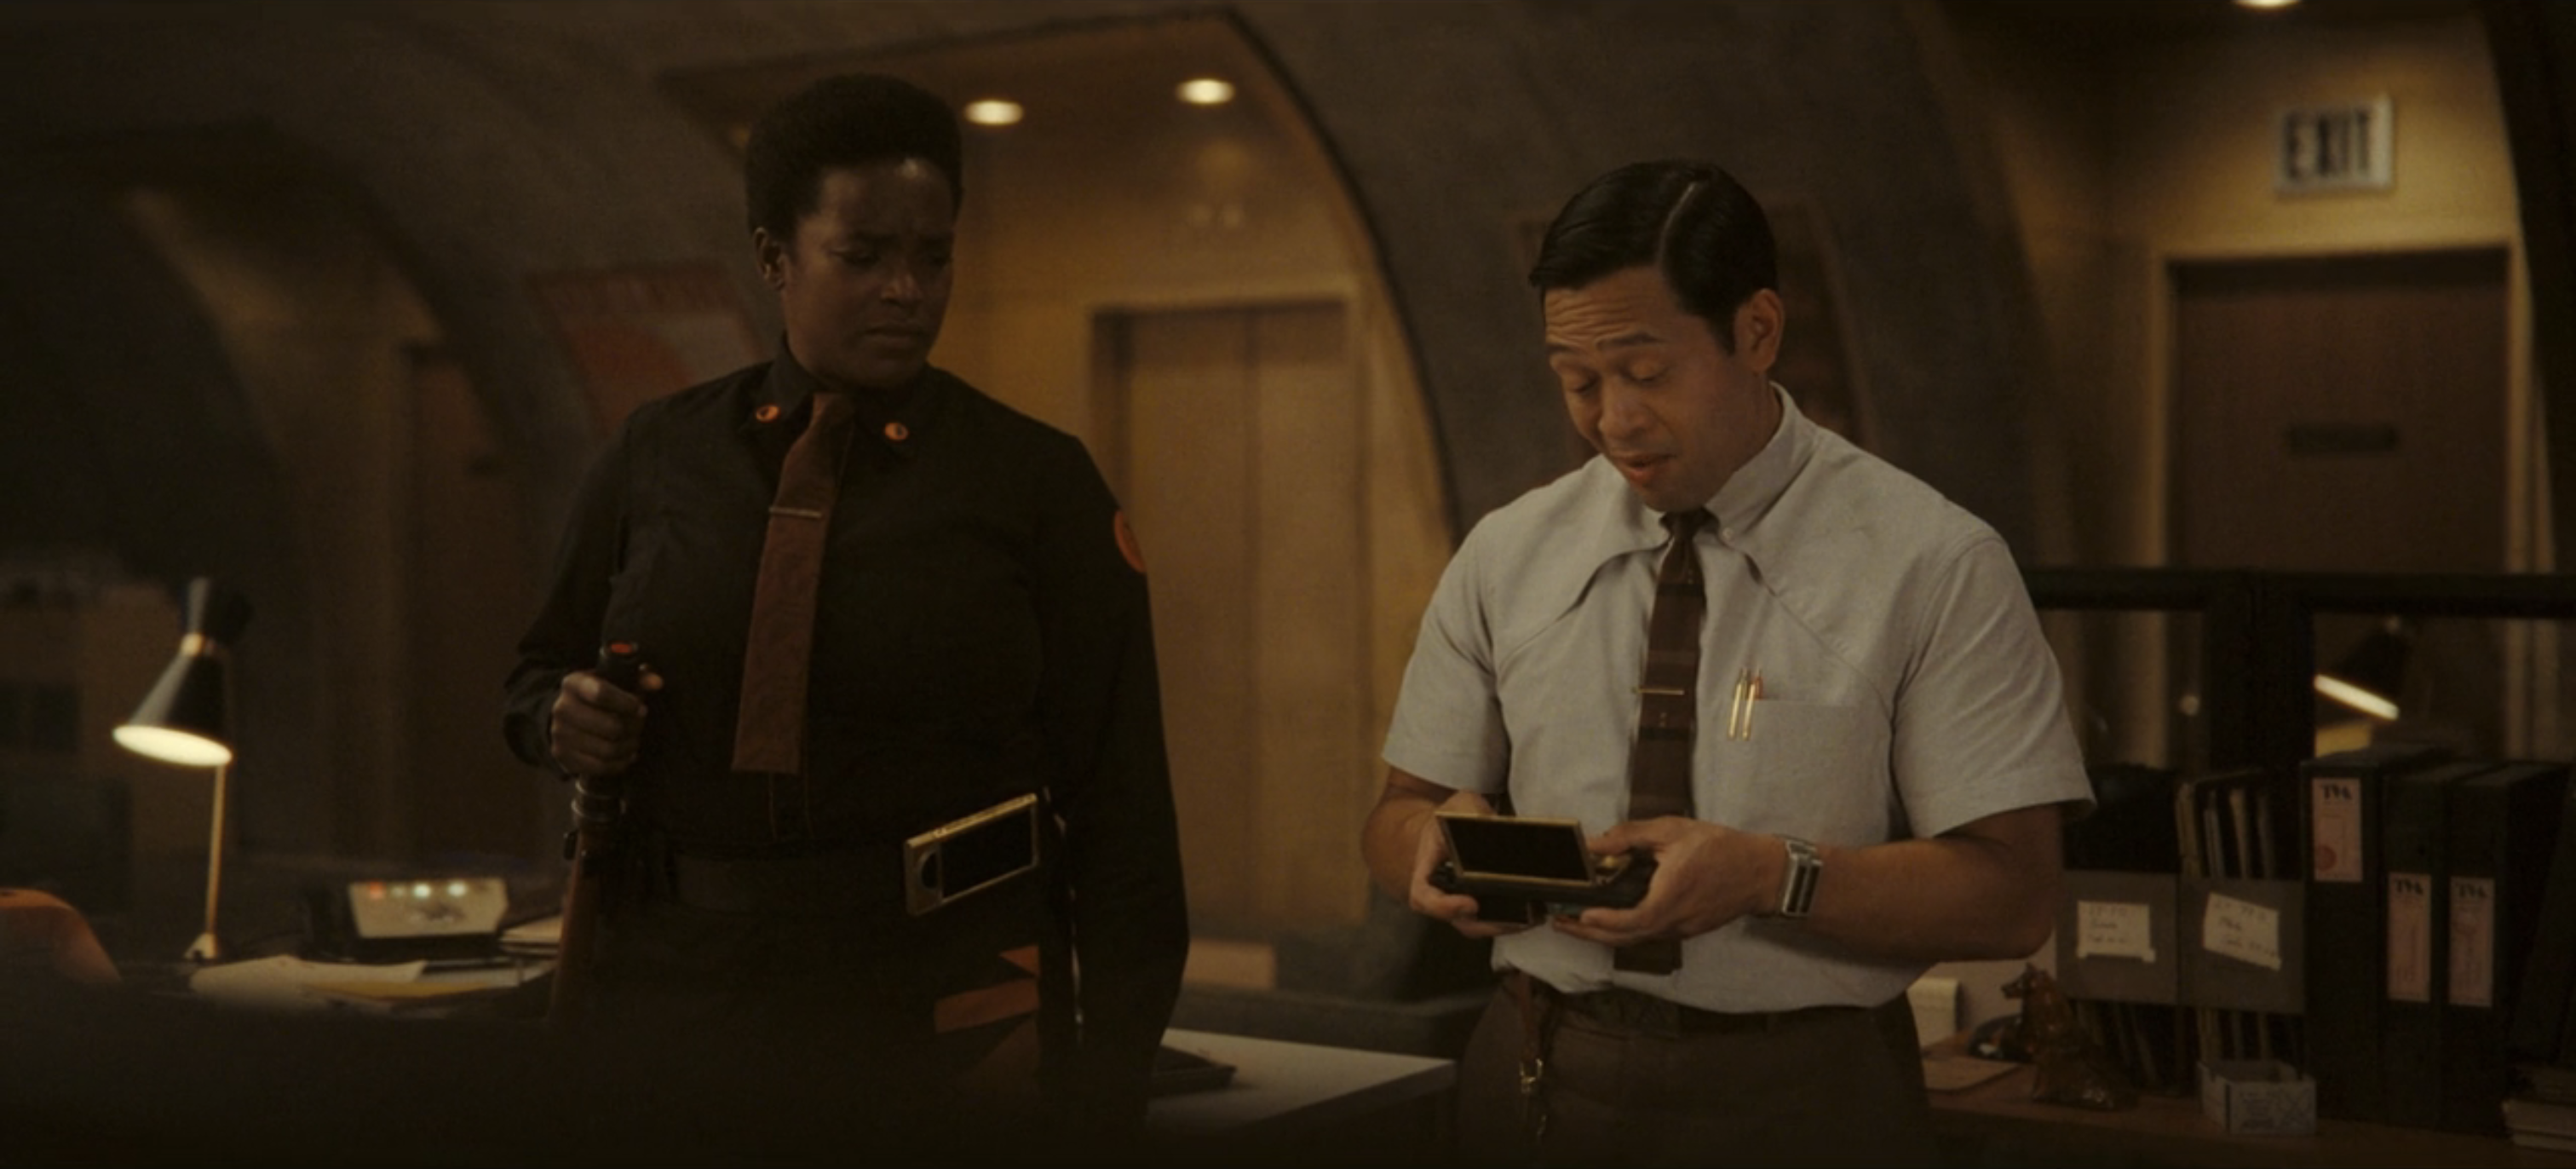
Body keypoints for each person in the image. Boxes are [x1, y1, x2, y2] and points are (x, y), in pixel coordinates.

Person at [503, 72, 1187, 1149]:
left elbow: (1123, 804)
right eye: (863, 256)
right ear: (775, 256)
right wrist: (562, 718)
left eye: (934, 257)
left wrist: (1110, 1085)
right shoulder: (661, 454)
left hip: (946, 984)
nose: (907, 290)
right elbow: (536, 673)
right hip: (684, 983)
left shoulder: (1033, 483)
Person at [1360, 159, 2092, 1166]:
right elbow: (1396, 812)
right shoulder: (1508, 554)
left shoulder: (1931, 561)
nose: (1613, 419)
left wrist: (1769, 875)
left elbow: (2013, 895)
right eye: (1578, 381)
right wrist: (1425, 847)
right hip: (1537, 1064)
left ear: (1758, 331)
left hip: (1802, 1089)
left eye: (1646, 372)